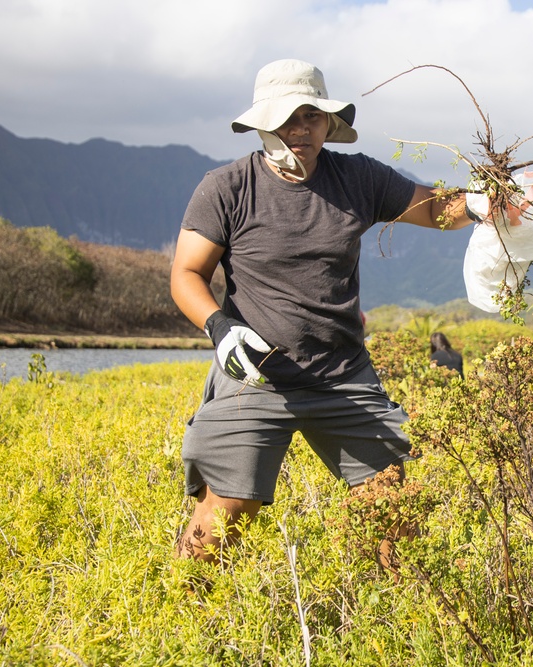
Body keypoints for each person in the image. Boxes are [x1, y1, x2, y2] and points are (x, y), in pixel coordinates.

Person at [170, 59, 484, 563]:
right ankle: (185, 614)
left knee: (392, 511)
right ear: (262, 123)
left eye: (311, 116)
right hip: (255, 378)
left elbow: (432, 208)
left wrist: (484, 204)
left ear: (327, 123)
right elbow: (186, 274)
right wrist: (219, 327)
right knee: (221, 522)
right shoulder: (226, 188)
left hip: (343, 376)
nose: (300, 128)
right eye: (287, 118)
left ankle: (400, 626)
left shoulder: (357, 178)